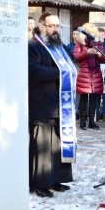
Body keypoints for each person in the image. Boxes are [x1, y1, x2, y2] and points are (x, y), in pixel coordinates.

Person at [28, 13, 78, 198]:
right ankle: (40, 183)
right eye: (51, 26)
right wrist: (59, 72)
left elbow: (73, 65)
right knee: (43, 146)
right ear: (42, 26)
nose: (55, 29)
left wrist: (68, 71)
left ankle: (56, 179)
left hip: (61, 107)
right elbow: (34, 70)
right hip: (42, 105)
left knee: (58, 144)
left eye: (58, 26)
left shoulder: (61, 47)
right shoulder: (32, 46)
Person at [73, 23, 104, 131]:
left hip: (95, 74)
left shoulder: (98, 43)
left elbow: (103, 59)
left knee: (94, 99)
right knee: (84, 98)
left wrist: (99, 55)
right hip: (84, 74)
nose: (91, 34)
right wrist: (87, 52)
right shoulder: (80, 43)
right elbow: (76, 57)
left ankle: (91, 121)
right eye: (88, 32)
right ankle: (82, 121)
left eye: (92, 32)